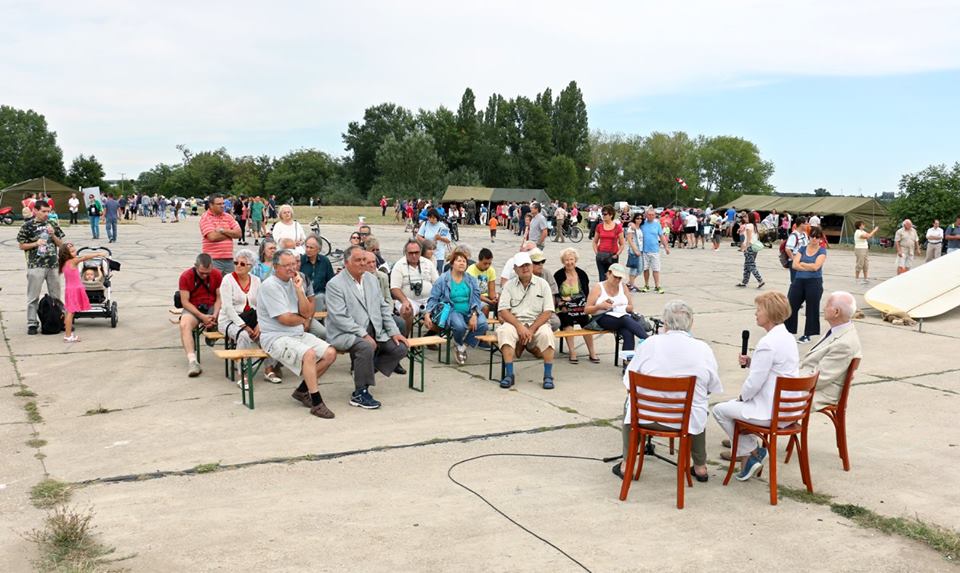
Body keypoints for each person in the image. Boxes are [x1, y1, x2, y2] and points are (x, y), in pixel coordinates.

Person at [613, 300, 722, 482]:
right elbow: (711, 387)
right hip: (683, 421)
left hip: (645, 417)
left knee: (629, 403)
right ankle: (700, 467)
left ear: (664, 322)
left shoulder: (649, 344)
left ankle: (627, 463)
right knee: (698, 404)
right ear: (691, 323)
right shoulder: (703, 348)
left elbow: (628, 382)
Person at [713, 292, 799, 480]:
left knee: (720, 410)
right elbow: (776, 368)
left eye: (758, 309)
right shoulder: (787, 337)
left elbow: (753, 384)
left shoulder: (767, 343)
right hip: (789, 409)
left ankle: (751, 450)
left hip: (771, 412)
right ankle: (750, 452)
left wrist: (741, 398)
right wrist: (753, 362)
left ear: (769, 313)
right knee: (732, 409)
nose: (756, 313)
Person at [256, 249, 338, 418]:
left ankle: (302, 391)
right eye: (286, 265)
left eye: (293, 264)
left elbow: (308, 311)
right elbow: (284, 319)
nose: (292, 268)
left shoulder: (296, 281)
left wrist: (300, 290)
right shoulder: (270, 285)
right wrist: (303, 318)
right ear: (276, 267)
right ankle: (316, 402)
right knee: (308, 354)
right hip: (275, 337)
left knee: (330, 353)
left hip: (296, 333)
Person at [325, 246, 408, 409]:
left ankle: (362, 373)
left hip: (374, 329)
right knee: (366, 347)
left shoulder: (371, 279)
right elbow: (340, 318)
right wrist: (363, 334)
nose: (363, 263)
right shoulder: (335, 284)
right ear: (346, 262)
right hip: (345, 332)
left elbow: (383, 307)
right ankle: (360, 393)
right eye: (358, 260)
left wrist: (394, 332)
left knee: (400, 348)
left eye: (364, 259)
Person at [496, 252, 557, 390]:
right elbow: (503, 310)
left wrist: (531, 329)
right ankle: (509, 374)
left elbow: (548, 311)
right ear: (515, 269)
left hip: (536, 323)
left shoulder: (543, 284)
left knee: (546, 334)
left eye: (527, 265)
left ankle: (548, 376)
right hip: (515, 322)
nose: (525, 268)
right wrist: (519, 326)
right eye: (521, 266)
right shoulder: (509, 286)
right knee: (505, 332)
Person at [800, 292, 863, 410]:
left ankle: (776, 426)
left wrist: (787, 380)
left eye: (827, 305)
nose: (823, 308)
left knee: (767, 397)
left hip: (821, 393)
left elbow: (819, 379)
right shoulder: (839, 330)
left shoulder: (844, 344)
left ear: (836, 312)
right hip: (811, 382)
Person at [424, 250, 488, 365]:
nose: (462, 263)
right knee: (460, 326)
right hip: (452, 310)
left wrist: (474, 314)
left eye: (464, 261)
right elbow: (433, 298)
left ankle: (462, 346)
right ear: (452, 263)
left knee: (483, 324)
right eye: (459, 261)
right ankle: (458, 342)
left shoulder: (471, 279)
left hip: (469, 309)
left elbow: (476, 298)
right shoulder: (443, 279)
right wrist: (427, 313)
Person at [18, 200, 65, 335]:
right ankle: (32, 323)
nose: (46, 214)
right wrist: (35, 243)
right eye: (44, 211)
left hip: (52, 265)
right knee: (33, 296)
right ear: (35, 211)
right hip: (36, 265)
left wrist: (53, 235)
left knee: (56, 296)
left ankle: (59, 320)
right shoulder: (28, 226)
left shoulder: (52, 224)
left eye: (48, 211)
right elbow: (22, 245)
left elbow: (61, 244)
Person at [585, 264, 649, 363]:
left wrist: (622, 307)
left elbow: (631, 306)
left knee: (628, 332)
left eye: (620, 278)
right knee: (625, 319)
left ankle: (627, 365)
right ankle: (648, 340)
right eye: (615, 277)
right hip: (602, 317)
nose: (617, 280)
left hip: (621, 316)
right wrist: (600, 306)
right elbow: (587, 310)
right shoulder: (599, 287)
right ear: (608, 274)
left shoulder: (623, 287)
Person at [217, 249, 262, 386]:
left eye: (242, 264)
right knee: (243, 336)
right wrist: (244, 326)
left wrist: (259, 324)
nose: (238, 266)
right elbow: (228, 308)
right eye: (236, 262)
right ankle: (243, 374)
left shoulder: (256, 280)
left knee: (267, 334)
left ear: (250, 266)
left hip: (252, 318)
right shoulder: (227, 280)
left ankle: (270, 368)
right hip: (229, 320)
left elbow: (261, 305)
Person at [178, 254, 223, 377]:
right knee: (184, 325)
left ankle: (212, 328)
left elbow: (219, 297)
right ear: (195, 267)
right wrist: (201, 316)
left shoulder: (217, 274)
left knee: (225, 315)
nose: (204, 276)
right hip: (193, 307)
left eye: (207, 273)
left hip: (211, 306)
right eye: (202, 273)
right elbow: (185, 302)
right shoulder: (186, 276)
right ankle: (192, 361)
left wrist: (215, 314)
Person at [554, 248, 599, 363]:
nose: (569, 262)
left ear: (575, 260)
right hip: (563, 307)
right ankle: (572, 352)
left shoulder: (582, 274)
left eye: (571, 259)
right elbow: (555, 294)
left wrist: (572, 298)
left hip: (579, 305)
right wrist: (563, 301)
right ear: (563, 262)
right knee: (566, 320)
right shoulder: (558, 275)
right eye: (566, 260)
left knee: (586, 321)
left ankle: (592, 352)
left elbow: (586, 294)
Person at [391, 239, 440, 337]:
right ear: (406, 252)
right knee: (407, 310)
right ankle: (404, 341)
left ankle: (430, 337)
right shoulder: (399, 265)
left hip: (429, 299)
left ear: (421, 252)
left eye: (416, 253)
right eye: (411, 253)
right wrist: (405, 301)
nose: (414, 255)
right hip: (409, 300)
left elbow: (437, 284)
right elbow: (394, 288)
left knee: (445, 310)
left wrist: (435, 300)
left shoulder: (428, 263)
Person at [787, 226, 827, 343]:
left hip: (814, 282)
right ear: (809, 237)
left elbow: (816, 267)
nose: (814, 239)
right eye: (812, 236)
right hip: (799, 281)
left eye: (817, 237)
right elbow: (794, 265)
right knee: (791, 305)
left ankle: (807, 334)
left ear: (820, 238)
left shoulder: (822, 250)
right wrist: (807, 266)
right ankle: (788, 331)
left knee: (812, 308)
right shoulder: (802, 249)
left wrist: (802, 264)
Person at [57, 243, 99, 342]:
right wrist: (97, 254)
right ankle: (68, 336)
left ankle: (68, 335)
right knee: (70, 313)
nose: (75, 252)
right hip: (74, 289)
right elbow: (84, 257)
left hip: (70, 289)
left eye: (74, 250)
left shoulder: (64, 263)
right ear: (66, 254)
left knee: (70, 312)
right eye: (72, 251)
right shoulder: (73, 261)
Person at [200, 194, 241, 274]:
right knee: (214, 285)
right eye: (219, 204)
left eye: (223, 203)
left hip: (229, 259)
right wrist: (231, 233)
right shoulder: (206, 218)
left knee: (229, 285)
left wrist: (223, 231)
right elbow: (212, 237)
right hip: (213, 260)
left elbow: (239, 234)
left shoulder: (228, 217)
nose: (222, 206)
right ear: (211, 205)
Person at [639, 208, 670, 293]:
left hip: (655, 250)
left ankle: (657, 285)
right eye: (649, 215)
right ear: (646, 215)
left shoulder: (657, 225)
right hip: (644, 250)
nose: (651, 216)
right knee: (645, 269)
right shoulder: (642, 224)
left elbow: (662, 236)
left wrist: (666, 247)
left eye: (652, 215)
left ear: (655, 215)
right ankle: (646, 285)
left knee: (656, 269)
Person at [529, 249, 561, 331]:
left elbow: (553, 294)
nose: (540, 265)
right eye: (537, 262)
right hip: (528, 310)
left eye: (542, 261)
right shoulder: (525, 275)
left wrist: (549, 311)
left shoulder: (547, 274)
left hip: (545, 310)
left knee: (555, 322)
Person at [592, 205, 624, 280]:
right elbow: (595, 242)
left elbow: (622, 244)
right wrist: (597, 253)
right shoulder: (599, 226)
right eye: (602, 214)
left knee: (612, 278)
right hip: (601, 255)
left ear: (611, 215)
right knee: (602, 278)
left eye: (605, 214)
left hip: (612, 255)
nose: (603, 216)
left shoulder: (617, 227)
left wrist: (617, 254)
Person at [417, 208, 452, 273]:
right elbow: (418, 236)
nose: (431, 220)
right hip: (427, 253)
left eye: (433, 218)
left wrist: (440, 238)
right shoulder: (425, 224)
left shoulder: (442, 226)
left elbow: (448, 240)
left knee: (438, 272)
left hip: (439, 254)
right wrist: (427, 243)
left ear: (437, 218)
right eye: (429, 218)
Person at [736, 212, 765, 288]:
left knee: (751, 265)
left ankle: (760, 280)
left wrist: (745, 247)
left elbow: (748, 238)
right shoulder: (754, 225)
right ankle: (744, 282)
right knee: (747, 265)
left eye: (746, 217)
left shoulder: (748, 225)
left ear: (750, 218)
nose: (745, 218)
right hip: (754, 247)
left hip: (749, 247)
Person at [467, 248, 498, 315]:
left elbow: (492, 291)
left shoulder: (491, 270)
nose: (487, 266)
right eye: (485, 263)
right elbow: (473, 293)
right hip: (474, 298)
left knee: (502, 306)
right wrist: (489, 301)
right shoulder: (471, 270)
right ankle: (483, 324)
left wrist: (495, 299)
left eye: (489, 263)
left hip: (487, 298)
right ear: (479, 260)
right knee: (485, 307)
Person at [784, 216, 809, 283]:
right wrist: (794, 259)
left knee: (802, 282)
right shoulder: (794, 235)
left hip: (803, 261)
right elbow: (787, 249)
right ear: (801, 224)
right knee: (795, 282)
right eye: (806, 224)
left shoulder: (804, 234)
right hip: (795, 261)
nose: (807, 225)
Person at [624, 212, 644, 293]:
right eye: (637, 218)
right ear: (634, 219)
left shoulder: (640, 227)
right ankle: (631, 285)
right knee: (634, 268)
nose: (639, 220)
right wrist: (635, 250)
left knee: (640, 269)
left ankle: (629, 283)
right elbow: (629, 239)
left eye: (640, 218)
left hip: (641, 249)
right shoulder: (631, 227)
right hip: (634, 249)